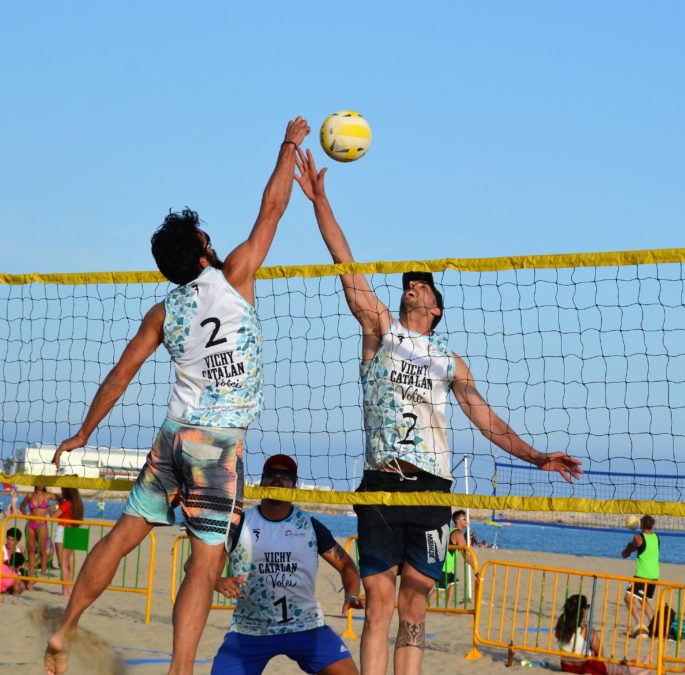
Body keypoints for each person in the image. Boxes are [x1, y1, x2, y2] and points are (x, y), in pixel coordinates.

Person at [294, 148, 584, 675]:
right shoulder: (381, 329)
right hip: (381, 482)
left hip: (430, 489)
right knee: (379, 606)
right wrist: (320, 200)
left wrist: (537, 455)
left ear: (436, 309)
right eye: (410, 280)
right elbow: (346, 265)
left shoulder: (449, 360)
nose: (413, 283)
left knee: (414, 608)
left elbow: (486, 418)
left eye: (423, 283)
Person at [44, 116, 311, 675]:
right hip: (216, 444)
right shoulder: (235, 274)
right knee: (204, 562)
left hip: (172, 435)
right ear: (204, 248)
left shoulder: (164, 312)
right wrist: (288, 145)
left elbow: (119, 377)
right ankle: (180, 670)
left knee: (122, 537)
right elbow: (273, 210)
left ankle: (65, 629)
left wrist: (84, 433)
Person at [210, 454, 361, 675]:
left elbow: (347, 565)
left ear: (294, 485)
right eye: (271, 474)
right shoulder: (239, 523)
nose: (278, 479)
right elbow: (193, 566)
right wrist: (216, 580)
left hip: (305, 626)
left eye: (286, 475)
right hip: (251, 629)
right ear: (261, 482)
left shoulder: (309, 525)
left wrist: (352, 594)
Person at [621, 515, 659, 635]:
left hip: (643, 575)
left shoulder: (638, 538)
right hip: (654, 575)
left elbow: (629, 550)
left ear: (641, 524)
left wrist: (626, 551)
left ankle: (639, 623)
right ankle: (655, 625)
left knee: (627, 598)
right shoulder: (656, 537)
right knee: (643, 601)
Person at [52, 487, 85, 598]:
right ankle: (69, 589)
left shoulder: (66, 503)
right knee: (69, 562)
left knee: (63, 564)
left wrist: (53, 509)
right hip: (74, 530)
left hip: (63, 530)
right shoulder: (78, 504)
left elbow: (54, 516)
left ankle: (65, 591)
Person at [20, 484, 55, 584]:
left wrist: (55, 511)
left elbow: (61, 500)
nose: (40, 484)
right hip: (30, 524)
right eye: (38, 482)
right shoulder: (30, 495)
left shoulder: (48, 495)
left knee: (42, 550)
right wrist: (25, 515)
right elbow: (22, 506)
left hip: (42, 524)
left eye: (42, 482)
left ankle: (43, 573)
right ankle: (31, 570)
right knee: (31, 550)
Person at [433, 510, 470, 602]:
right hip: (444, 567)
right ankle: (423, 608)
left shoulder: (451, 530)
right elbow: (465, 554)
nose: (466, 521)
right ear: (457, 520)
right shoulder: (458, 534)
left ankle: (448, 608)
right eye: (464, 519)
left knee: (453, 583)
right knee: (439, 591)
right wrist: (476, 569)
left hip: (449, 566)